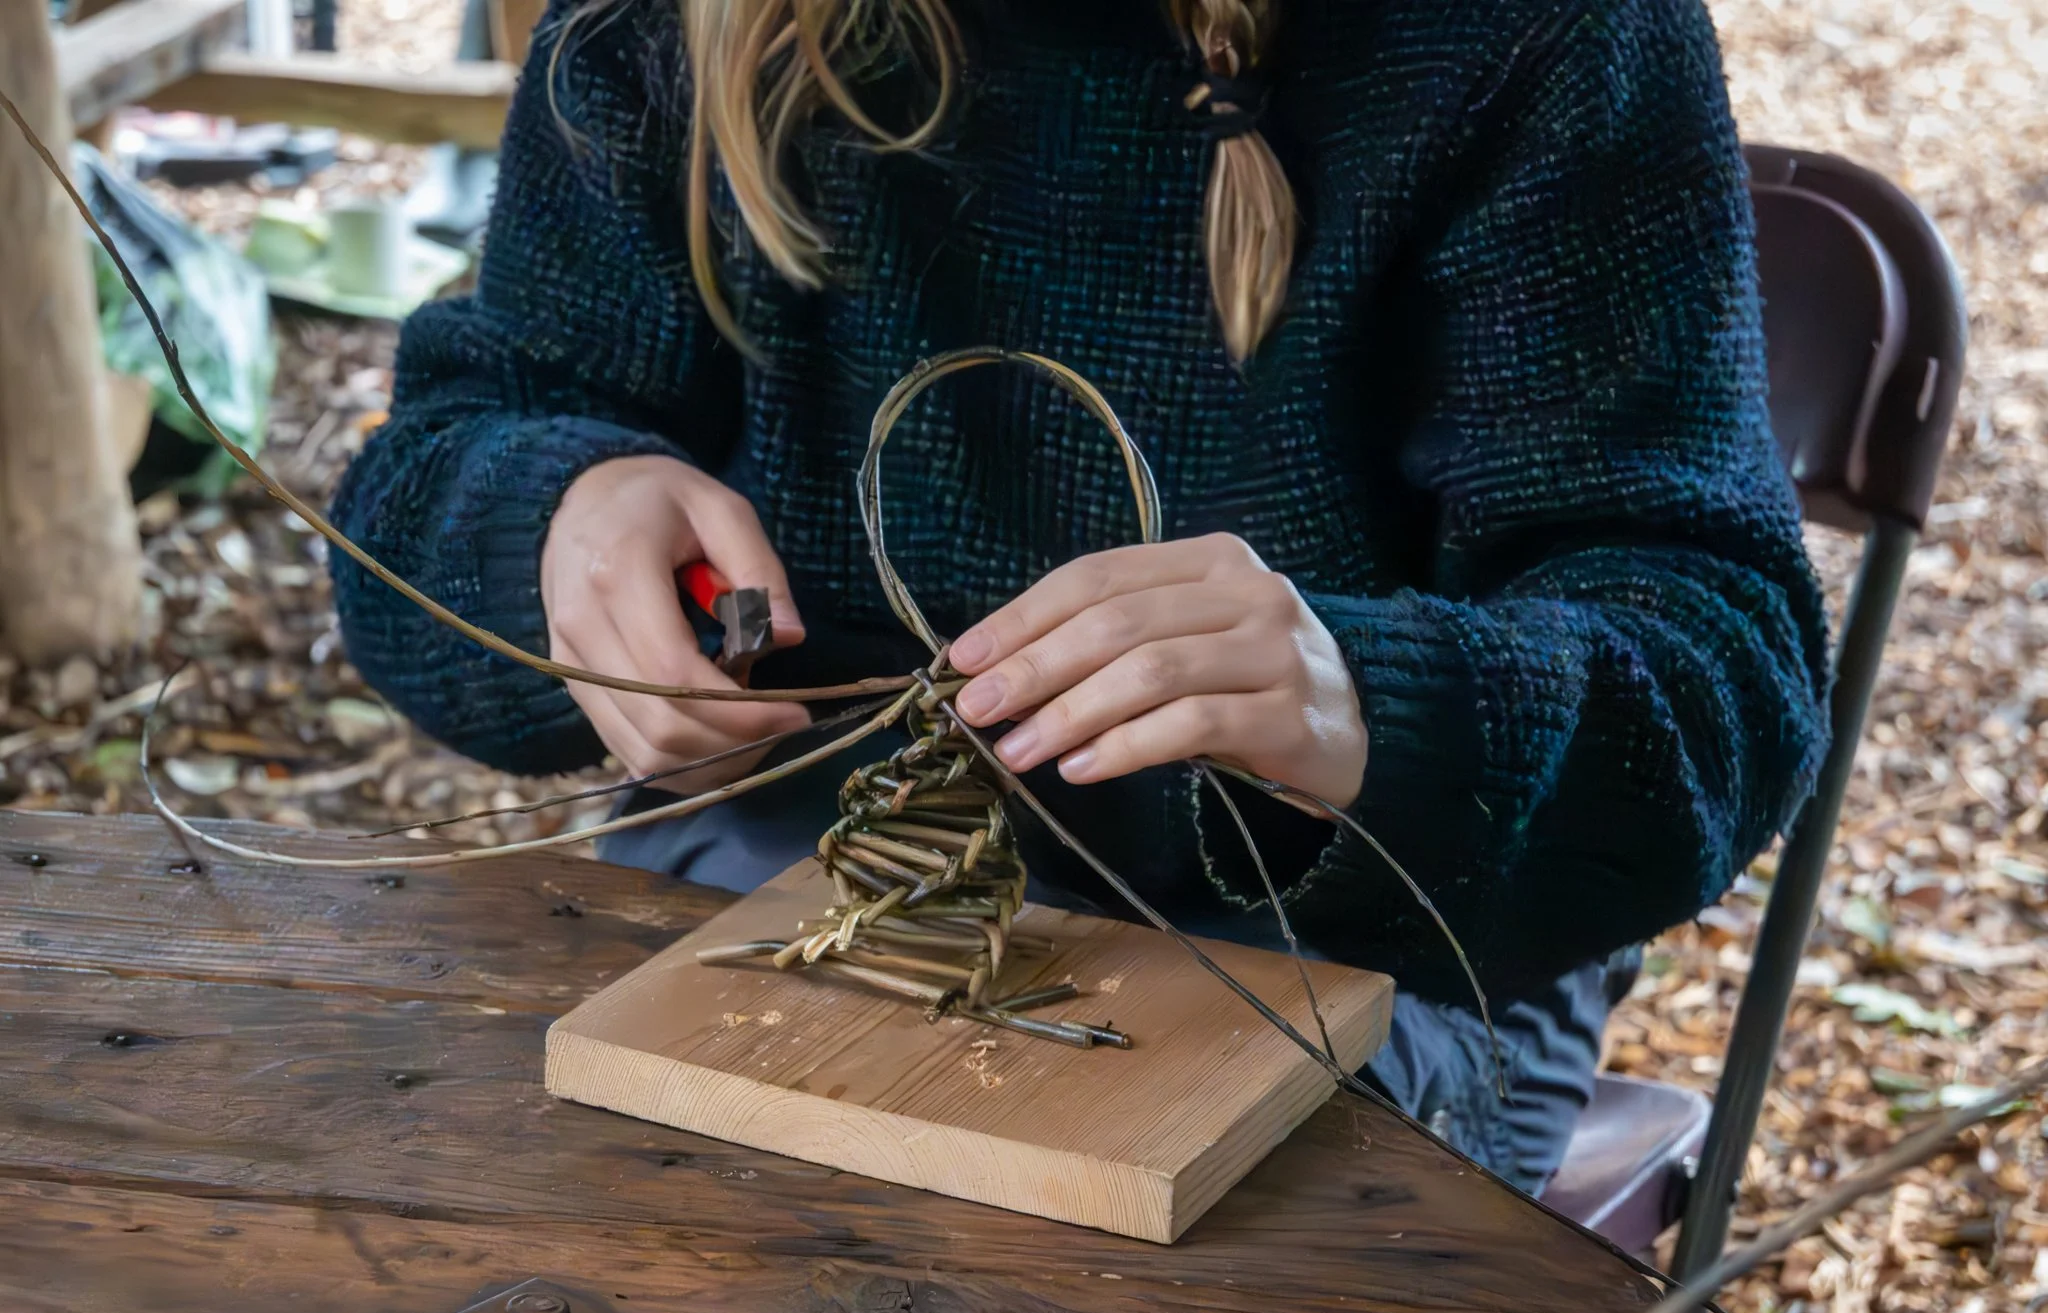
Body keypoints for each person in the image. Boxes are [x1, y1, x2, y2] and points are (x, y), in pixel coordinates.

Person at [330, 0, 1831, 1194]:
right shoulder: (678, 30)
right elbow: (434, 485)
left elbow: (1718, 676)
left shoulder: (1537, 34)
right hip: (791, 876)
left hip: (1391, 940)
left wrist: (1368, 703)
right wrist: (546, 524)